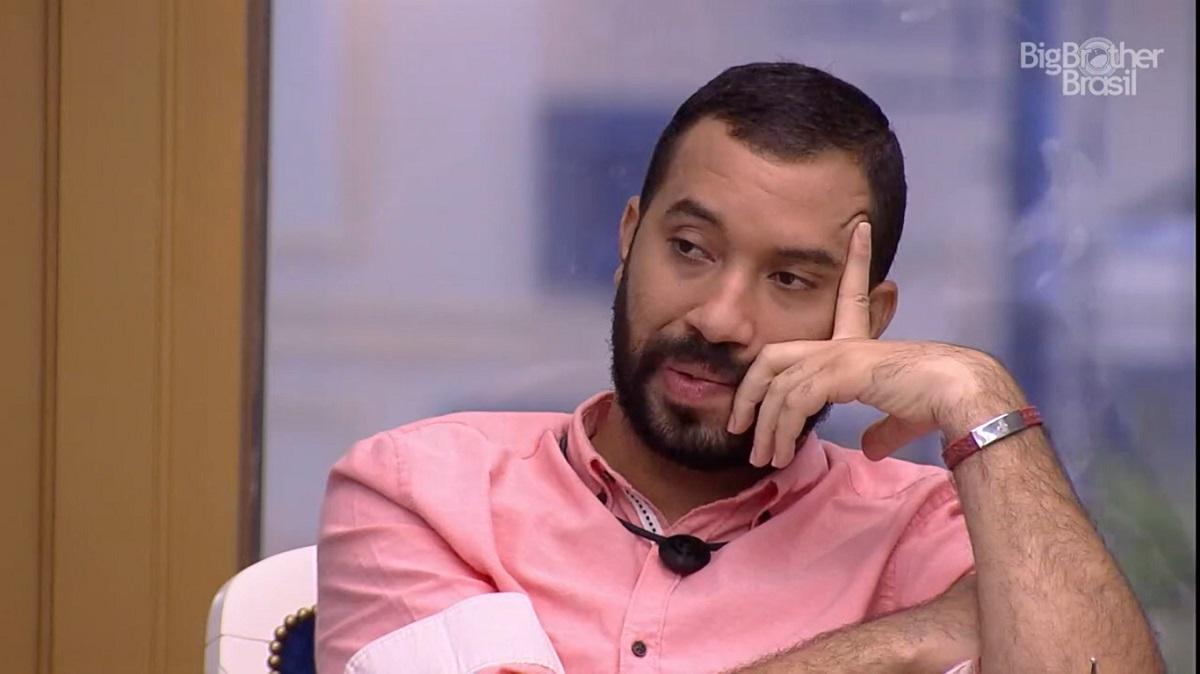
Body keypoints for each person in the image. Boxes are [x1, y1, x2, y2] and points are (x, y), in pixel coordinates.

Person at [315, 62, 1164, 673]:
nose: (720, 318)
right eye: (690, 248)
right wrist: (900, 641)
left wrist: (980, 391)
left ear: (867, 321)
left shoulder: (932, 533)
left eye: (790, 279)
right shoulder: (424, 495)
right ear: (629, 239)